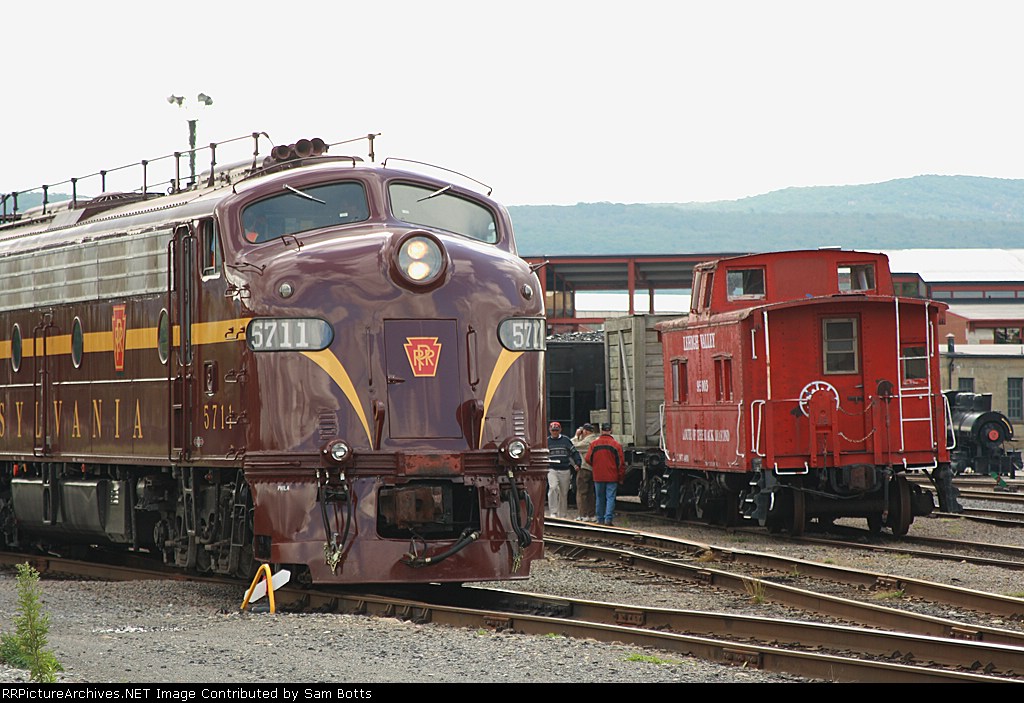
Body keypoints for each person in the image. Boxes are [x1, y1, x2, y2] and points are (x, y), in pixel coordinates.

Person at [585, 422, 626, 526]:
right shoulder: (616, 445)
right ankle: (608, 519)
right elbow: (621, 463)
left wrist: (596, 465)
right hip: (612, 476)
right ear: (611, 430)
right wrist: (621, 477)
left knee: (599, 498)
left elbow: (588, 459)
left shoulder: (594, 444)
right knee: (610, 498)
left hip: (598, 476)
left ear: (601, 430)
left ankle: (600, 519)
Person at [546, 421, 580, 518]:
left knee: (564, 493)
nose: (555, 432)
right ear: (550, 430)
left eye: (556, 430)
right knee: (553, 487)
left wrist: (577, 463)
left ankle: (562, 514)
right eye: (553, 430)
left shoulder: (566, 440)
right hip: (552, 468)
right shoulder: (546, 441)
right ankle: (553, 512)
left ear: (560, 430)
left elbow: (574, 452)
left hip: (565, 469)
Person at [571, 423, 598, 521]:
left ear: (585, 431)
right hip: (594, 469)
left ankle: (583, 515)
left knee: (581, 492)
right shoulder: (596, 439)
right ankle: (591, 515)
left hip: (584, 468)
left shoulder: (587, 441)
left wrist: (576, 436)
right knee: (591, 493)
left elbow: (572, 446)